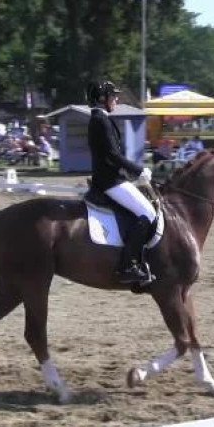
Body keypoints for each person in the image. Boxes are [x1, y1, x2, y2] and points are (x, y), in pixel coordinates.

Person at [87, 80, 155, 285]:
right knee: (148, 214)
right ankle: (128, 265)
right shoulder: (100, 121)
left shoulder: (101, 119)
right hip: (110, 182)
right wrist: (138, 170)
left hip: (113, 178)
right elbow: (113, 155)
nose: (116, 99)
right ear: (102, 99)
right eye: (113, 96)